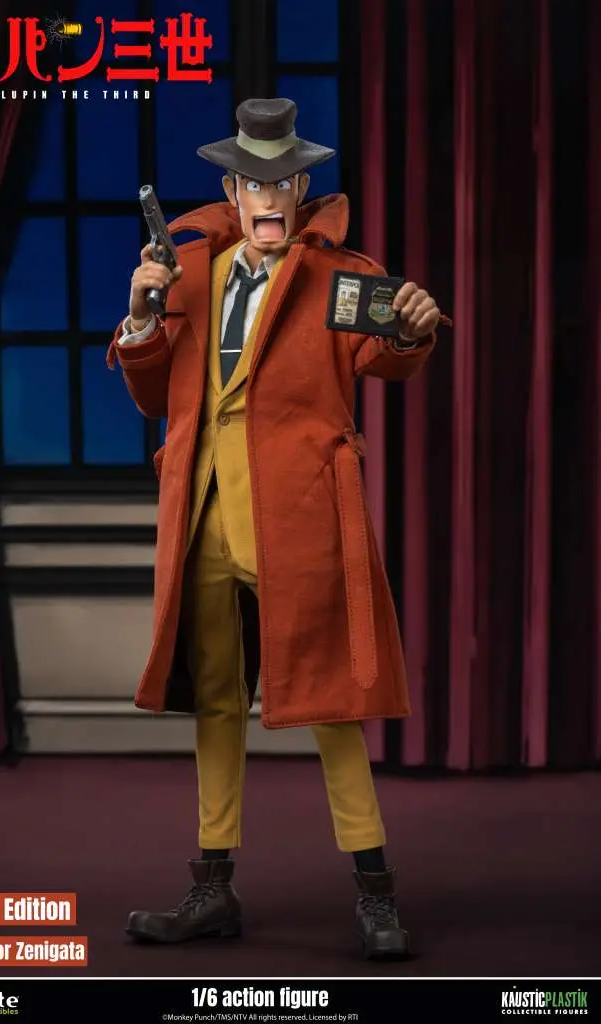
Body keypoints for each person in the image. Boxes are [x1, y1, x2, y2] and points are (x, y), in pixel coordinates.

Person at [107, 98, 443, 959]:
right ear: (231, 190)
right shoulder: (185, 271)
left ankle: (376, 896)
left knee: (333, 704)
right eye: (252, 182)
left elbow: (388, 356)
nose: (268, 196)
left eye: (283, 181)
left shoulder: (339, 278)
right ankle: (212, 889)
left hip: (300, 519)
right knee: (216, 703)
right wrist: (141, 318)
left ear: (301, 190)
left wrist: (411, 331)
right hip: (204, 515)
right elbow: (153, 395)